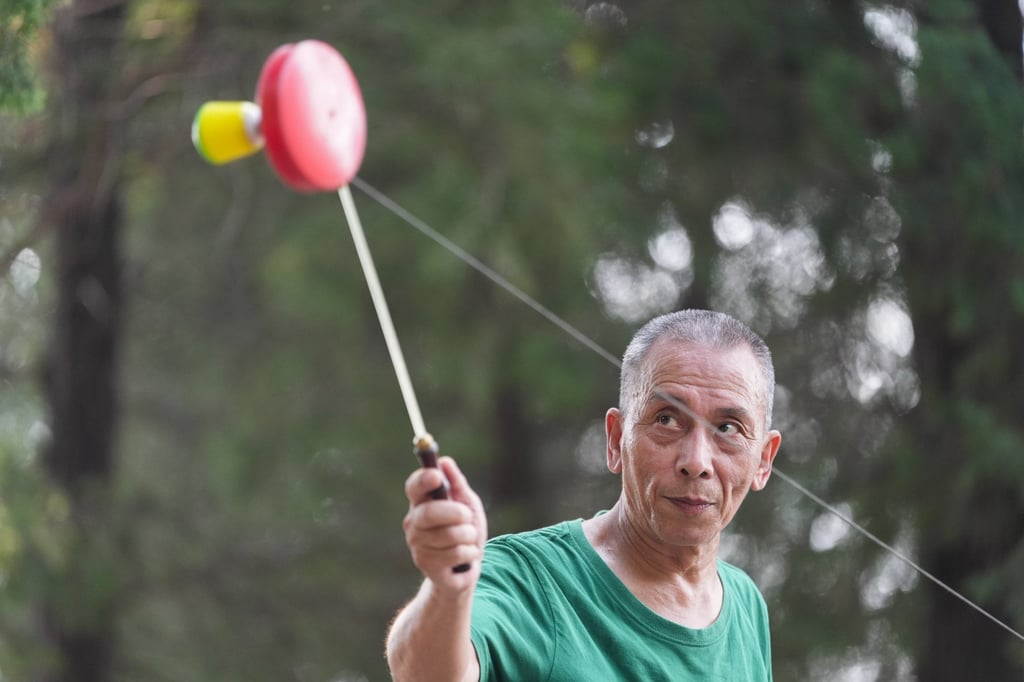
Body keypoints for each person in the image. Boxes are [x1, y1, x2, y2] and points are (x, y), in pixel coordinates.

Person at [386, 309, 782, 681]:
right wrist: (447, 591)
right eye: (666, 419)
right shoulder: (531, 580)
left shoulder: (745, 605)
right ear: (615, 440)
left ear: (763, 461)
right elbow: (423, 672)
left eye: (728, 428)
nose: (696, 462)